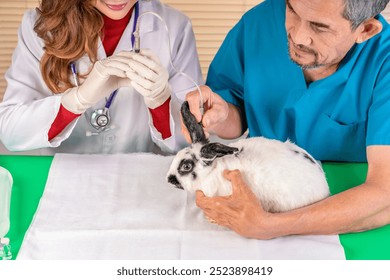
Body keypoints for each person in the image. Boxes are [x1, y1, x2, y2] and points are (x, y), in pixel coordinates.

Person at [183, 0, 390, 239]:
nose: (298, 36)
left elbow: (384, 194)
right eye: (292, 10)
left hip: (352, 212)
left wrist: (269, 225)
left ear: (365, 30)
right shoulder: (257, 24)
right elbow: (237, 114)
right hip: (265, 187)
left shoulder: (384, 62)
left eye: (320, 27)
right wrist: (221, 116)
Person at [0, 0, 203, 154]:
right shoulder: (39, 27)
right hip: (63, 180)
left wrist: (161, 100)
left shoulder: (175, 28)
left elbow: (190, 144)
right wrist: (75, 102)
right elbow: (11, 132)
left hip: (141, 179)